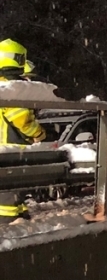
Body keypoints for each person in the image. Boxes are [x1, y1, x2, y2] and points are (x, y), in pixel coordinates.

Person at [0, 39, 46, 221]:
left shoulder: (5, 85)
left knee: (13, 185)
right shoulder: (10, 88)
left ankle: (19, 213)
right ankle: (8, 222)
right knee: (9, 187)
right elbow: (21, 119)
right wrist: (39, 133)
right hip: (9, 146)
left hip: (8, 146)